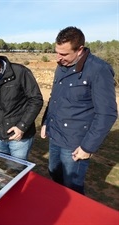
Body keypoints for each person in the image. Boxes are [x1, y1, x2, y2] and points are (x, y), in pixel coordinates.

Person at [40, 26, 118, 194]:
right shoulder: (62, 65)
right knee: (54, 173)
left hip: (75, 144)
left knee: (72, 187)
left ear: (80, 49)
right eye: (57, 52)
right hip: (55, 135)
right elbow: (55, 97)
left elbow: (107, 113)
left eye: (64, 54)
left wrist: (87, 148)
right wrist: (46, 121)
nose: (58, 58)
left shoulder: (98, 70)